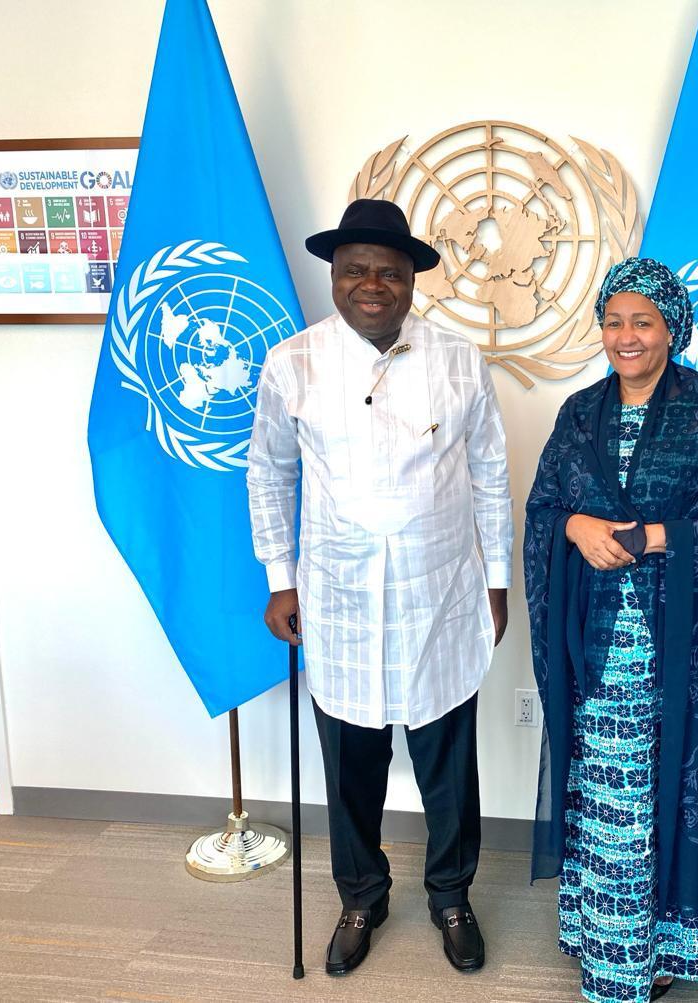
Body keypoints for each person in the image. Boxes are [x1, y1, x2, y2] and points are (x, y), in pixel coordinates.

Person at [247, 198, 512, 977]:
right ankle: (362, 895)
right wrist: (278, 579)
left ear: (412, 282)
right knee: (351, 764)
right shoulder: (290, 362)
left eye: (389, 272)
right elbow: (269, 472)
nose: (373, 284)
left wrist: (496, 579)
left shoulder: (460, 360)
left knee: (447, 763)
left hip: (442, 594)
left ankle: (452, 895)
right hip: (339, 600)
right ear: (334, 275)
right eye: (356, 269)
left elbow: (493, 474)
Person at [524, 257, 698, 1003]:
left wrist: (654, 536)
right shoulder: (579, 413)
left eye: (643, 321)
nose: (626, 336)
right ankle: (610, 942)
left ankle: (664, 948)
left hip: (685, 653)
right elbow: (542, 508)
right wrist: (575, 523)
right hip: (599, 651)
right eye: (614, 320)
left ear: (672, 329)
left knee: (674, 792)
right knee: (612, 799)